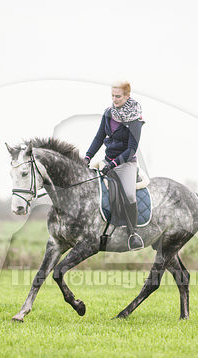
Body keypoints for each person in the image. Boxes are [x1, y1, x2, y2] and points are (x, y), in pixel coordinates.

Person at [84, 81, 145, 251]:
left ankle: (133, 234)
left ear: (127, 95)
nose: (114, 99)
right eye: (112, 96)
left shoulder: (135, 119)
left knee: (129, 195)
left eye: (118, 96)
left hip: (125, 163)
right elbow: (98, 138)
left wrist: (113, 164)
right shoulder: (108, 113)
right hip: (107, 161)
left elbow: (132, 149)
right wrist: (87, 157)